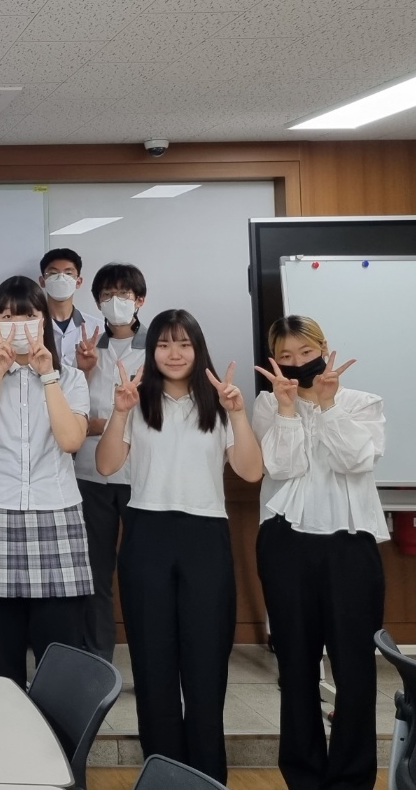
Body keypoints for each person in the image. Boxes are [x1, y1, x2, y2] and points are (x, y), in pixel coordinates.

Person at [96, 310, 263, 784]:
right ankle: (163, 776)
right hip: (146, 533)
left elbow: (251, 471)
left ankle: (207, 778)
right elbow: (106, 466)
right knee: (153, 667)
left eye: (184, 344)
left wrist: (238, 413)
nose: (174, 353)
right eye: (164, 344)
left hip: (205, 536)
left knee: (206, 665)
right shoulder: (135, 399)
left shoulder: (219, 402)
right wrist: (120, 412)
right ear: (152, 351)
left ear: (198, 349)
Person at [253, 316, 382, 790]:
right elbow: (281, 467)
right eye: (285, 356)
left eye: (305, 353)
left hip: (350, 544)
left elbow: (357, 461)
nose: (297, 362)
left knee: (355, 667)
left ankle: (351, 778)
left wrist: (327, 406)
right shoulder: (268, 403)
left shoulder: (362, 402)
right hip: (285, 543)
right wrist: (288, 408)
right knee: (296, 665)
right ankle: (303, 776)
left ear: (323, 348)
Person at [0, 276, 92, 687]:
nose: (17, 326)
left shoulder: (71, 379)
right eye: (5, 317)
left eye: (27, 316)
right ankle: (5, 730)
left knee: (59, 654)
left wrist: (48, 375)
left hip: (56, 515)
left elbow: (71, 441)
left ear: (43, 321)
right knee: (0, 657)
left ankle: (59, 731)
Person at [74, 261, 148, 661]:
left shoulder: (159, 347)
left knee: (142, 573)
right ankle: (97, 658)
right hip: (90, 476)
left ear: (140, 300)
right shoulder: (86, 348)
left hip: (141, 476)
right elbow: (72, 414)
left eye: (123, 294)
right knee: (94, 573)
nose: (115, 301)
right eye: (107, 295)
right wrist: (83, 371)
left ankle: (147, 659)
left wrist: (102, 425)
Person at [38, 248, 103, 368]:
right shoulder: (32, 326)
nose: (61, 278)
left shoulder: (98, 328)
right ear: (42, 281)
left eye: (68, 274)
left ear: (78, 282)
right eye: (53, 273)